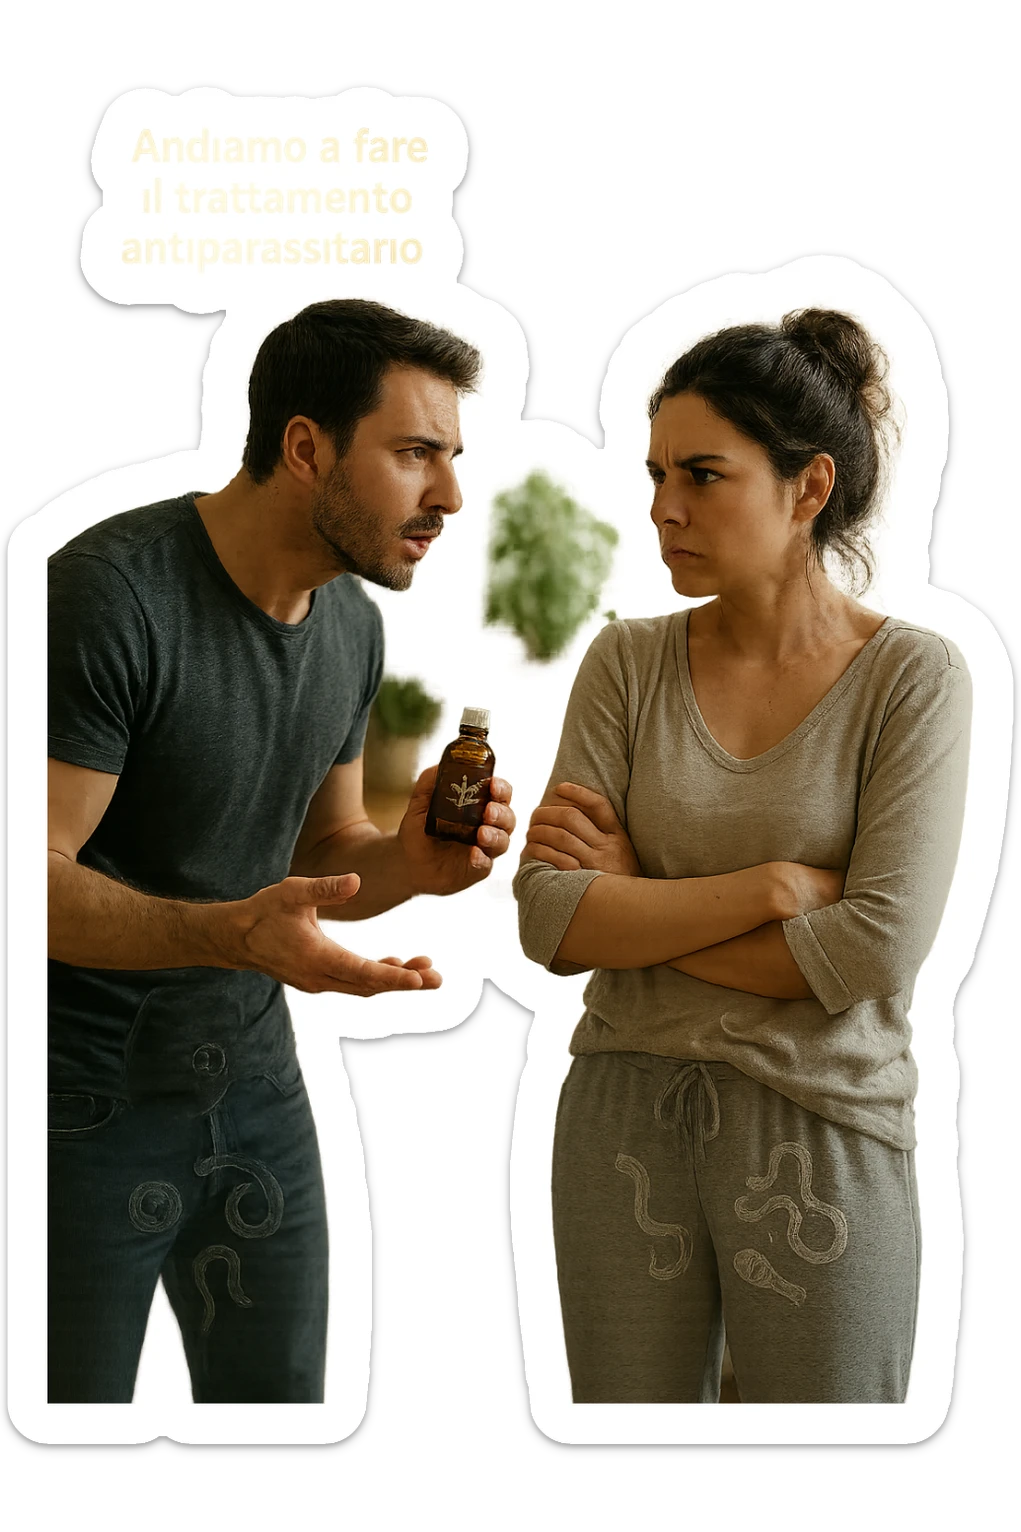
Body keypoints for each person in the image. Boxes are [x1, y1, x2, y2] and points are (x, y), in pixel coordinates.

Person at [47, 297, 516, 1404]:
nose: (448, 495)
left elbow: (329, 849)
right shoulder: (108, 596)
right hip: (80, 1105)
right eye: (414, 454)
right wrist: (232, 931)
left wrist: (411, 860)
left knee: (278, 1412)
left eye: (450, 459)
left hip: (255, 1088)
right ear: (306, 446)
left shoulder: (349, 620)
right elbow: (31, 881)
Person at [513, 309, 971, 1404]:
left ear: (807, 488)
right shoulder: (625, 660)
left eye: (703, 474)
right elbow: (548, 920)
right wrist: (767, 892)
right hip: (620, 1120)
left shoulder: (912, 679)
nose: (664, 507)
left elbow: (867, 951)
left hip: (822, 1132)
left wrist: (638, 902)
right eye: (657, 474)